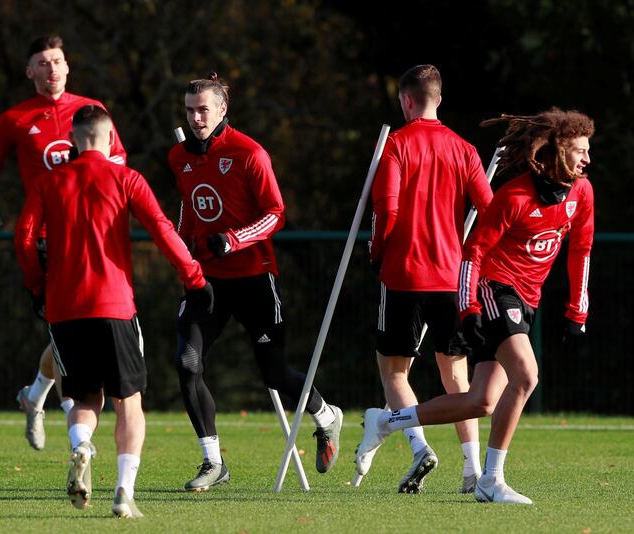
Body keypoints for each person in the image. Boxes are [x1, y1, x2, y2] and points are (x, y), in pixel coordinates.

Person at [356, 107, 594, 504]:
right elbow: (473, 253)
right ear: (556, 151)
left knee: (480, 402)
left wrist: (577, 310)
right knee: (527, 376)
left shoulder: (582, 192)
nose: (587, 159)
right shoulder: (515, 195)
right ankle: (490, 480)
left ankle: (385, 420)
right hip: (496, 290)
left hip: (527, 298)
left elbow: (582, 249)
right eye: (580, 150)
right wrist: (467, 308)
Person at [15, 105, 213, 517]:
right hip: (114, 305)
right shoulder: (126, 178)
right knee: (129, 402)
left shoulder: (50, 181)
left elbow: (25, 236)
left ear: (73, 139)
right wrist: (194, 277)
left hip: (65, 309)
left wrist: (37, 286)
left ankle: (82, 447)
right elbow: (161, 228)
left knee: (84, 398)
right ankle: (124, 492)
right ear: (109, 139)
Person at [169, 72, 342, 492]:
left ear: (222, 109)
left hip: (253, 278)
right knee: (187, 363)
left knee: (274, 373)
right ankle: (213, 462)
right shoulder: (179, 157)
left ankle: (326, 416)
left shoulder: (250, 153)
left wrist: (232, 239)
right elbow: (188, 213)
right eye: (190, 110)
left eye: (203, 109)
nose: (196, 118)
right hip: (207, 281)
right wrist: (183, 250)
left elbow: (275, 213)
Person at [0, 35, 127, 451]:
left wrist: (100, 187)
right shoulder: (15, 119)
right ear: (30, 71)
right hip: (45, 237)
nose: (51, 68)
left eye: (57, 60)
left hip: (89, 234)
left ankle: (36, 394)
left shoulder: (90, 111)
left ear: (68, 66)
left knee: (66, 329)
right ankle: (73, 419)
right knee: (63, 329)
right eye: (42, 62)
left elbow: (119, 161)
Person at [356, 65, 494, 494]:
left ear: (407, 100)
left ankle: (419, 448)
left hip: (403, 275)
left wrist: (376, 250)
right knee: (457, 376)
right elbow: (488, 210)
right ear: (438, 99)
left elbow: (387, 210)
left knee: (394, 372)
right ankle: (472, 470)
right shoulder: (465, 148)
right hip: (451, 277)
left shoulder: (397, 144)